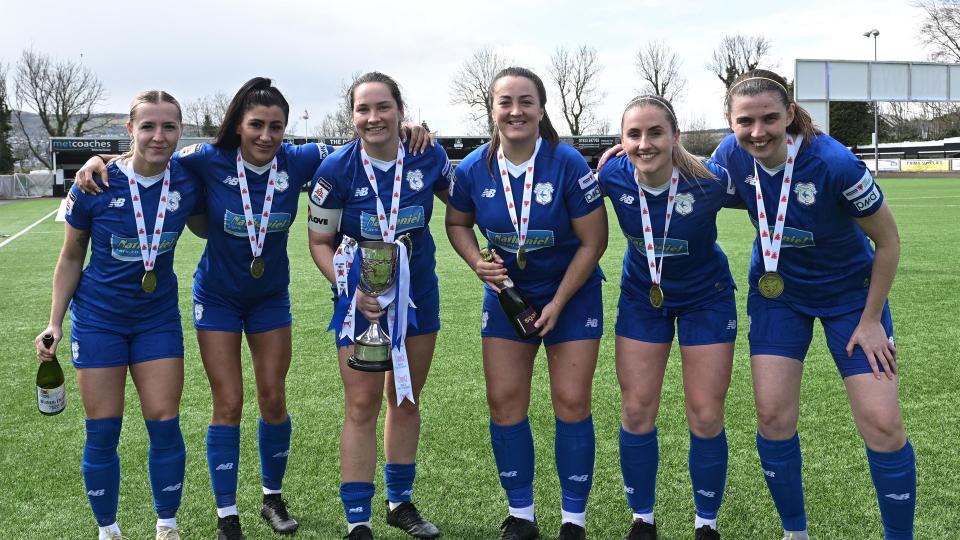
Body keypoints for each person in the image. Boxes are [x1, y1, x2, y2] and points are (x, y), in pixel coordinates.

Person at [74, 77, 432, 540]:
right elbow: (148, 155)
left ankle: (272, 497)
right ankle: (227, 513)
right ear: (238, 127)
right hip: (217, 299)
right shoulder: (205, 159)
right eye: (256, 125)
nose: (266, 135)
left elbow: (362, 142)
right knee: (227, 402)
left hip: (269, 299)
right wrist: (99, 159)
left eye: (276, 126)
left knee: (273, 398)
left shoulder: (302, 159)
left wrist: (407, 129)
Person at [711, 69, 914, 540]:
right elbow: (692, 180)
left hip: (852, 301)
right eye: (745, 121)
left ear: (789, 115)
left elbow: (888, 241)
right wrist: (628, 157)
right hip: (780, 299)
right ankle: (794, 533)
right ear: (730, 121)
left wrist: (870, 321)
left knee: (883, 424)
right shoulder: (730, 155)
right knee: (773, 417)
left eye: (769, 119)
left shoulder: (834, 163)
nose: (757, 132)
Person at [445, 67, 608, 540]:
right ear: (492, 110)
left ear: (540, 109)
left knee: (572, 402)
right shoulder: (474, 167)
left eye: (525, 102)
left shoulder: (569, 164)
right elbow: (457, 223)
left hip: (572, 295)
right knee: (504, 402)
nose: (515, 111)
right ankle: (521, 514)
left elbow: (593, 242)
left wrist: (558, 301)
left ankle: (573, 520)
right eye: (505, 102)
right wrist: (478, 262)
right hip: (507, 298)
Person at [35, 90, 204, 540]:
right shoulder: (94, 183)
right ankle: (108, 530)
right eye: (147, 126)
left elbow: (229, 153)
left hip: (157, 320)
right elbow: (71, 257)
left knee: (165, 425)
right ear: (130, 131)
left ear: (180, 132)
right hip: (99, 322)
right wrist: (55, 321)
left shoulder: (188, 178)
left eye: (169, 126)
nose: (158, 135)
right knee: (103, 431)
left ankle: (167, 526)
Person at [307, 71, 450, 540]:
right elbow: (319, 241)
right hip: (359, 303)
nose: (373, 118)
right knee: (361, 404)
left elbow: (467, 198)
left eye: (382, 107)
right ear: (353, 117)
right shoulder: (336, 170)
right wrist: (352, 289)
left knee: (404, 397)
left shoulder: (427, 156)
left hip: (416, 298)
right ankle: (358, 519)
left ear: (400, 111)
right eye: (363, 109)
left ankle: (400, 503)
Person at [598, 95, 739, 540]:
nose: (645, 143)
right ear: (620, 143)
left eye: (655, 132)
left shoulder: (711, 181)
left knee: (705, 414)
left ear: (676, 136)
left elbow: (770, 189)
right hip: (643, 298)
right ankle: (643, 519)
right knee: (637, 409)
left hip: (707, 299)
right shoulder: (611, 174)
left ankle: (706, 524)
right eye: (633, 134)